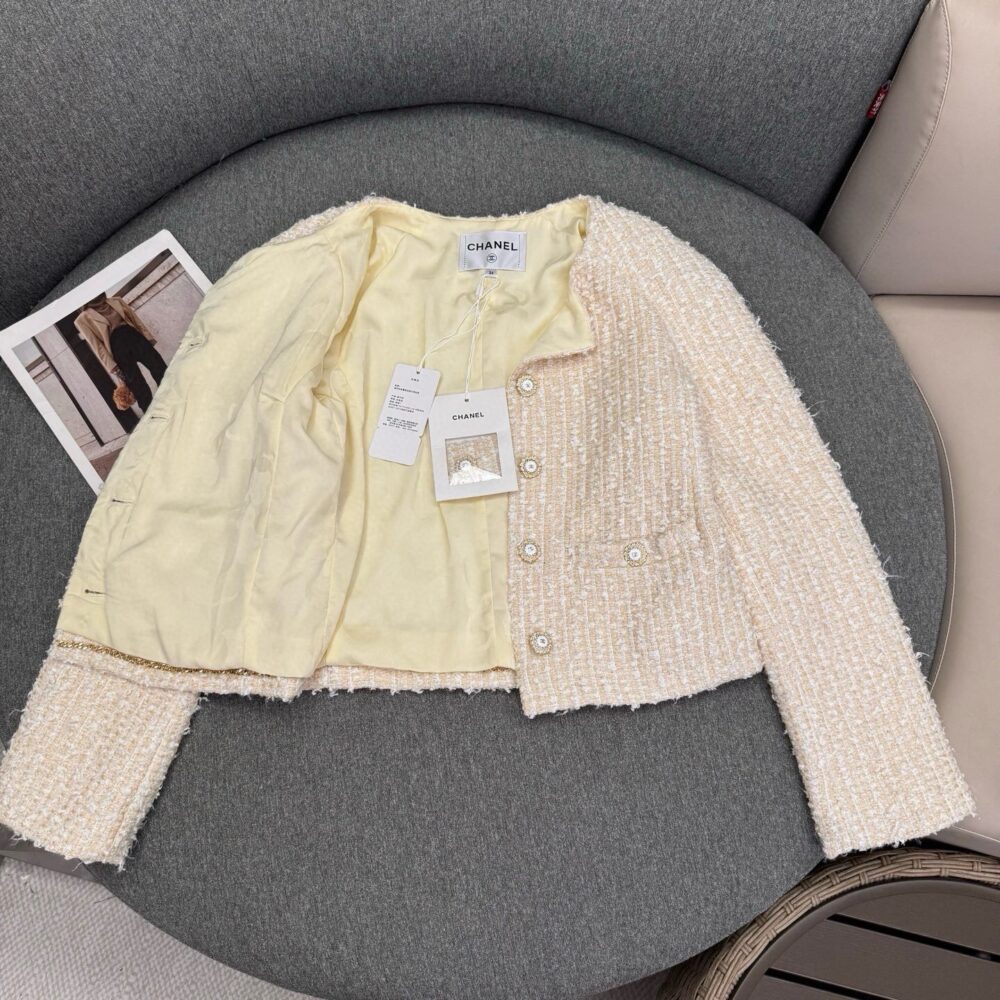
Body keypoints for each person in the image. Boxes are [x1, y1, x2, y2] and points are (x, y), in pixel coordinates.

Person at [74, 292, 167, 411]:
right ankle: (152, 414)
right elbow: (97, 345)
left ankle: (171, 398)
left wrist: (148, 338)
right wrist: (111, 366)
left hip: (135, 337)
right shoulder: (82, 319)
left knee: (159, 368)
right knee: (138, 386)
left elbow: (135, 320)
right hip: (117, 348)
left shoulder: (116, 301)